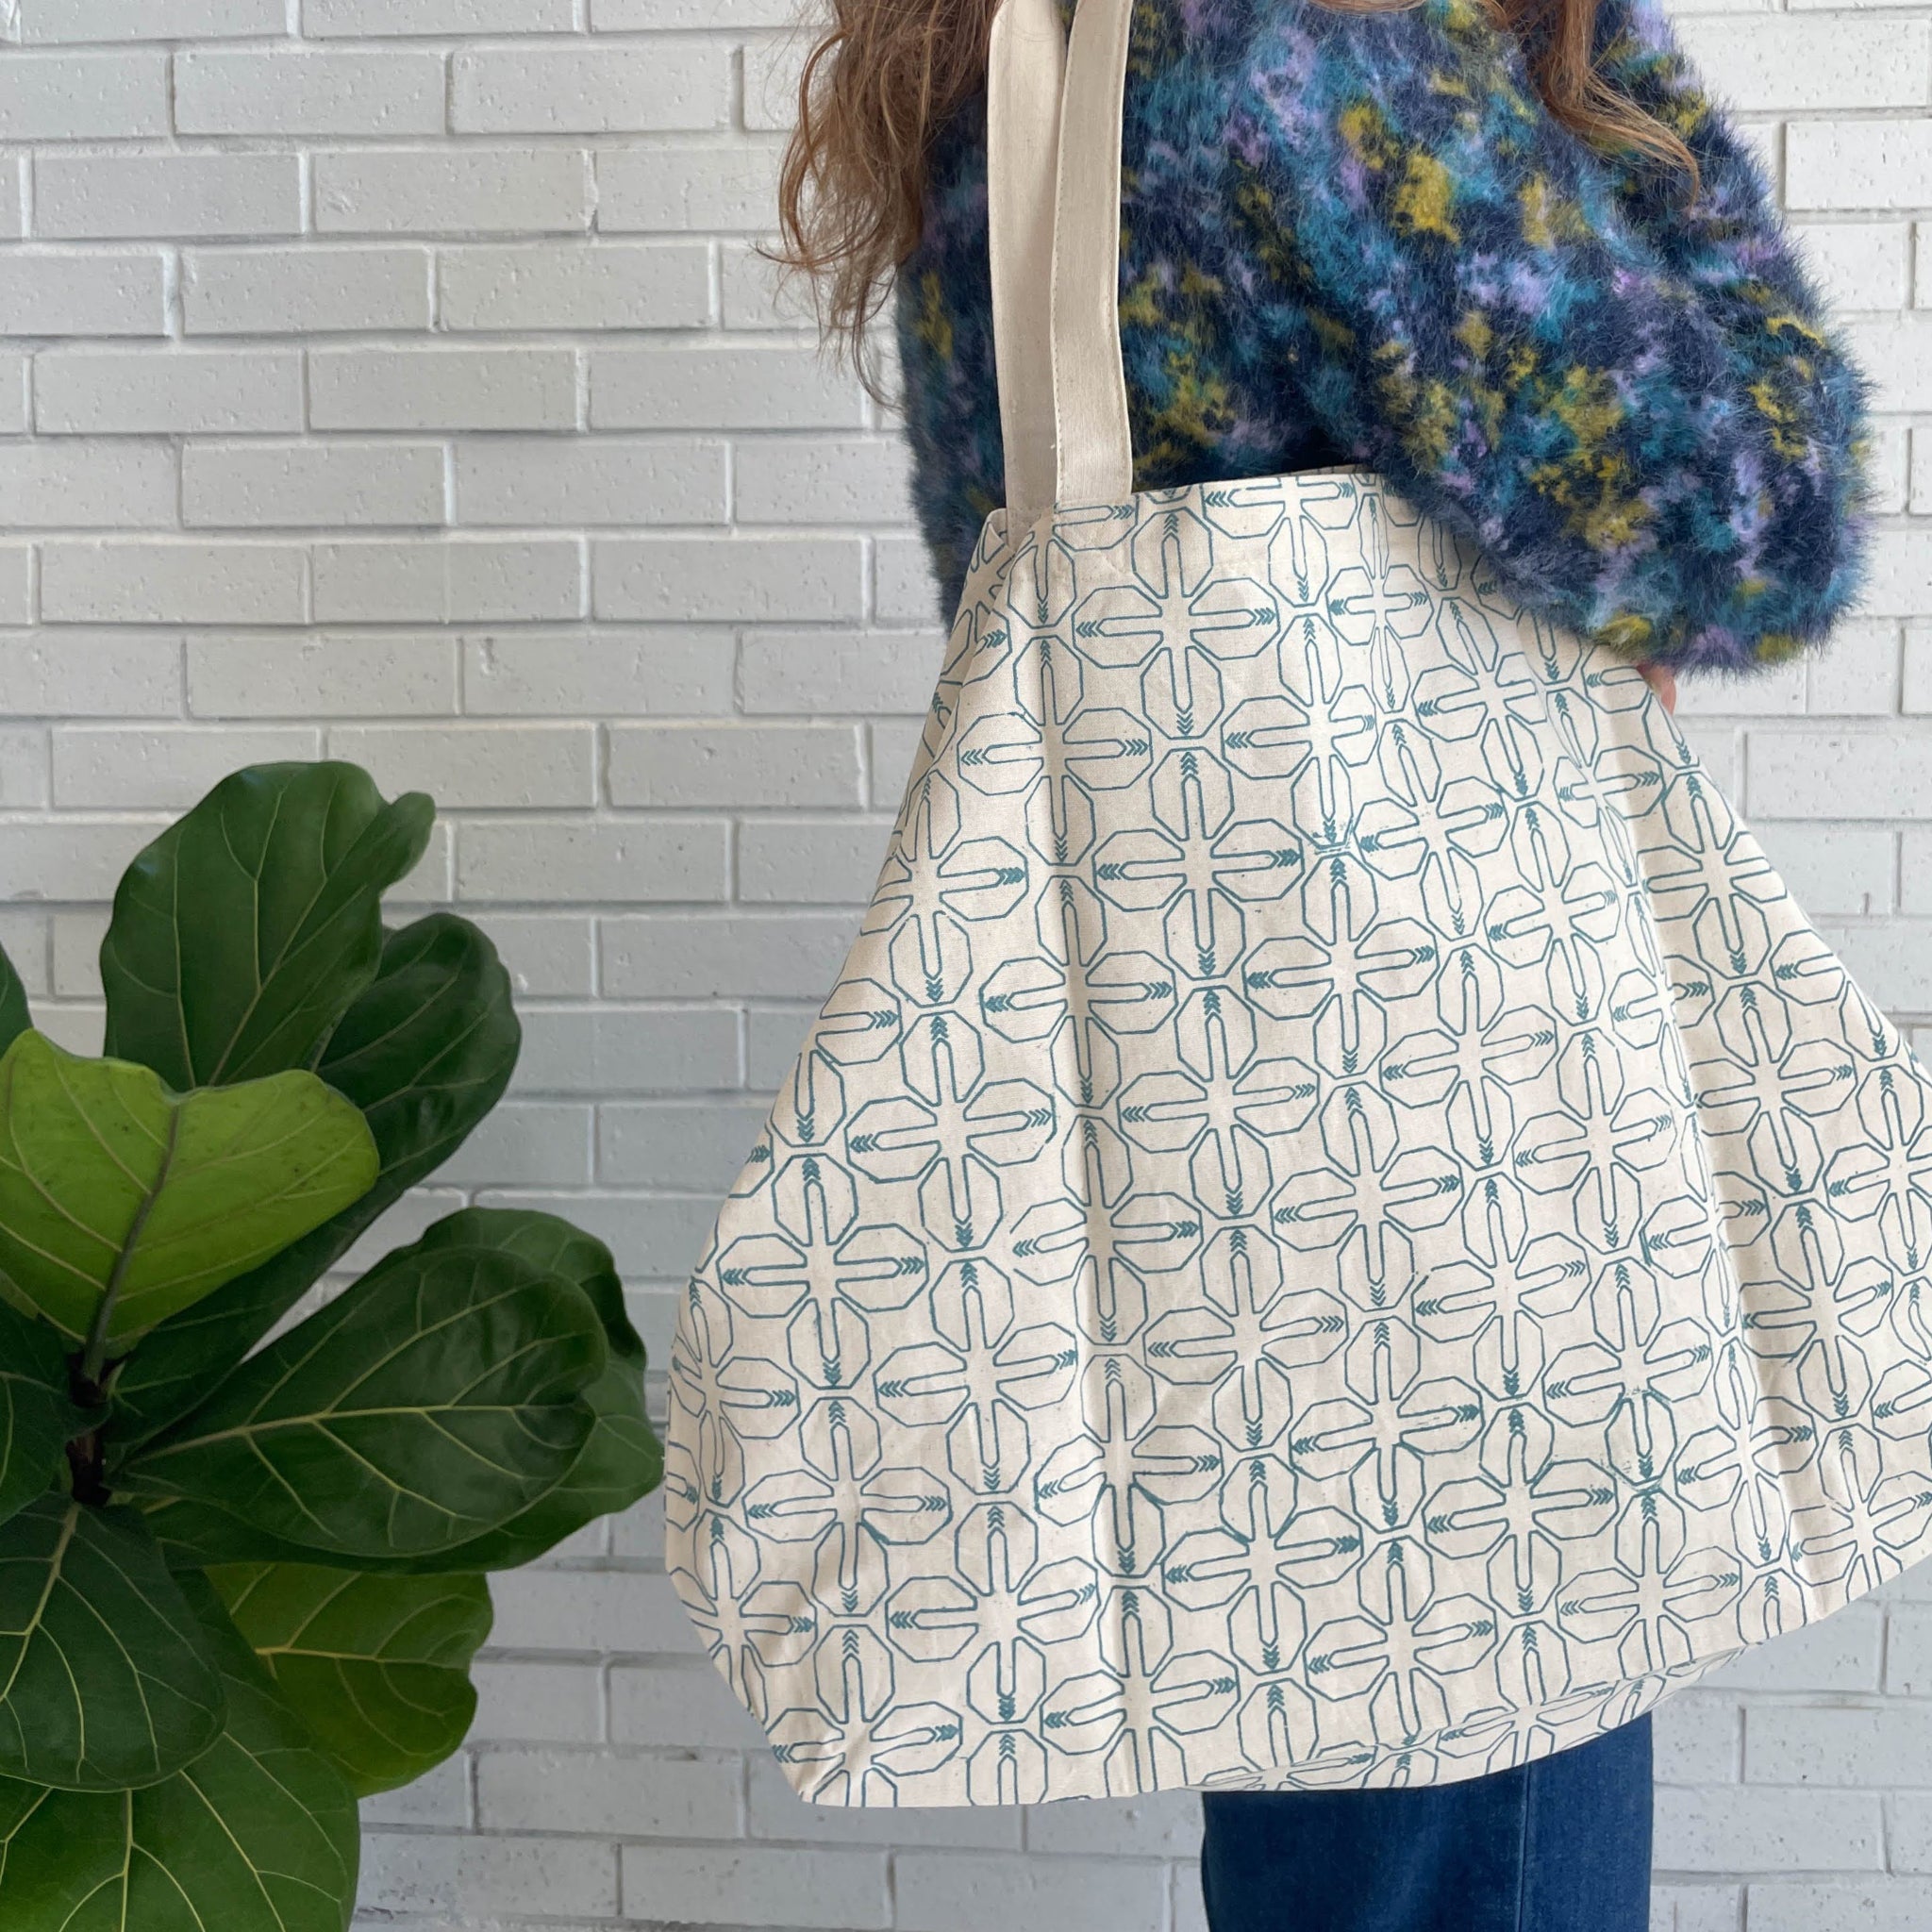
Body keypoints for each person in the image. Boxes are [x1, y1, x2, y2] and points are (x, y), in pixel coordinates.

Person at [768, 1, 1874, 1925]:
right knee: (1470, 1812)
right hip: (1444, 1197)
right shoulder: (1299, 64)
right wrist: (1608, 58)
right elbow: (1755, 516)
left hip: (1235, 1200)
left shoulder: (1012, 74)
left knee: (1339, 1815)